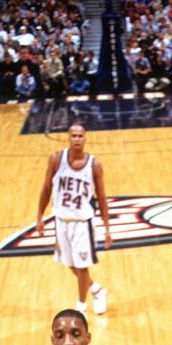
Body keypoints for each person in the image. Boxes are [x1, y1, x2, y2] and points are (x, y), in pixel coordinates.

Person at [35, 123, 113, 317]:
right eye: (74, 136)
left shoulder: (94, 165)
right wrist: (39, 216)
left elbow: (101, 197)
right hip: (61, 220)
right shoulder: (55, 159)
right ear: (68, 138)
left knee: (81, 266)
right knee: (69, 263)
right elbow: (46, 188)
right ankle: (97, 290)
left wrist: (107, 228)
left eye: (80, 136)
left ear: (85, 139)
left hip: (82, 223)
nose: (77, 139)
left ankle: (81, 307)